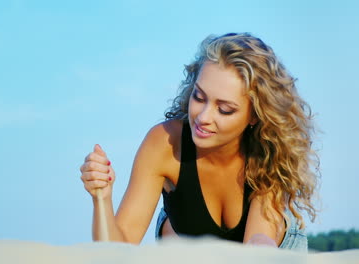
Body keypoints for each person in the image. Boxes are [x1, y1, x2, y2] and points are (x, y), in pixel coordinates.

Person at [79, 33, 319, 251]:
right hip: (191, 247)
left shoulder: (268, 153)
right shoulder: (165, 142)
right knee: (173, 232)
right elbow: (115, 251)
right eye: (199, 97)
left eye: (224, 109)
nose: (203, 118)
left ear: (255, 115)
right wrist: (102, 198)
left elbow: (258, 246)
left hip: (271, 251)